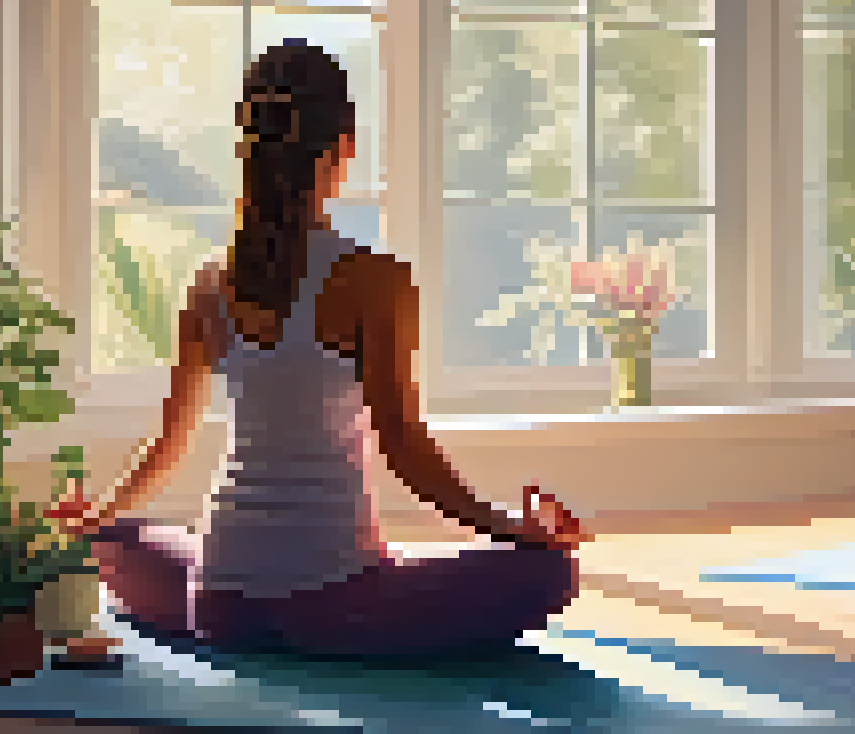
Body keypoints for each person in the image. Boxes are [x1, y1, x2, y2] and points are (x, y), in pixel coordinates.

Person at [50, 39, 587, 659]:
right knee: (547, 572)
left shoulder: (208, 285)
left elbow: (168, 446)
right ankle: (367, 586)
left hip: (218, 602)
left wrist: (101, 514)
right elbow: (405, 449)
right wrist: (509, 528)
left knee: (118, 538)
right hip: (336, 606)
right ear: (344, 149)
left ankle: (188, 571)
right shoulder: (375, 280)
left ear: (248, 151)